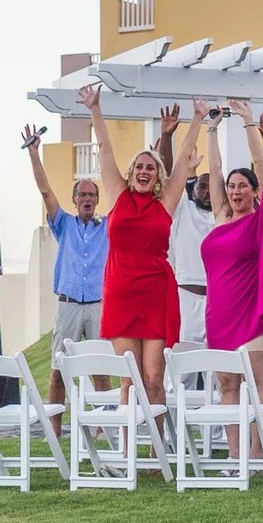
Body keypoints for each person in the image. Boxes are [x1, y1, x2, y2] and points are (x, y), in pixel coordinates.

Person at [82, 84, 202, 405]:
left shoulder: (165, 202)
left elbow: (181, 165)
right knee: (129, 380)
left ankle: (156, 450)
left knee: (152, 378)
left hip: (156, 293)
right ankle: (127, 450)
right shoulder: (117, 194)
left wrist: (198, 118)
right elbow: (105, 147)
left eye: (150, 167)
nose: (144, 170)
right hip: (121, 291)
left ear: (157, 175)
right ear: (131, 172)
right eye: (139, 166)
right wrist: (95, 107)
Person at [200, 100, 263, 454]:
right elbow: (215, 169)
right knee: (227, 383)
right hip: (219, 314)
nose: (235, 191)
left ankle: (256, 452)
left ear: (253, 192)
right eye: (232, 186)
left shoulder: (262, 218)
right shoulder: (220, 217)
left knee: (254, 380)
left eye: (242, 186)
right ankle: (235, 457)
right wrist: (212, 128)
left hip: (252, 313)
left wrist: (253, 127)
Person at [21, 123, 106, 405]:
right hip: (68, 304)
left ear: (97, 200)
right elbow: (46, 192)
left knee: (101, 371)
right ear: (74, 200)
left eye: (91, 195)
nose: (87, 199)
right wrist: (34, 153)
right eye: (82, 195)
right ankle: (54, 430)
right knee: (59, 369)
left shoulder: (106, 226)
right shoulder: (64, 225)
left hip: (97, 303)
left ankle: (105, 426)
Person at [161, 107, 219, 347]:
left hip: (218, 302)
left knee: (219, 372)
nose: (206, 192)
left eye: (211, 187)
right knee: (181, 370)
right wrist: (166, 137)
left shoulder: (225, 217)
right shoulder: (183, 210)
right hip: (186, 299)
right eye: (201, 187)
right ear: (192, 188)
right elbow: (166, 174)